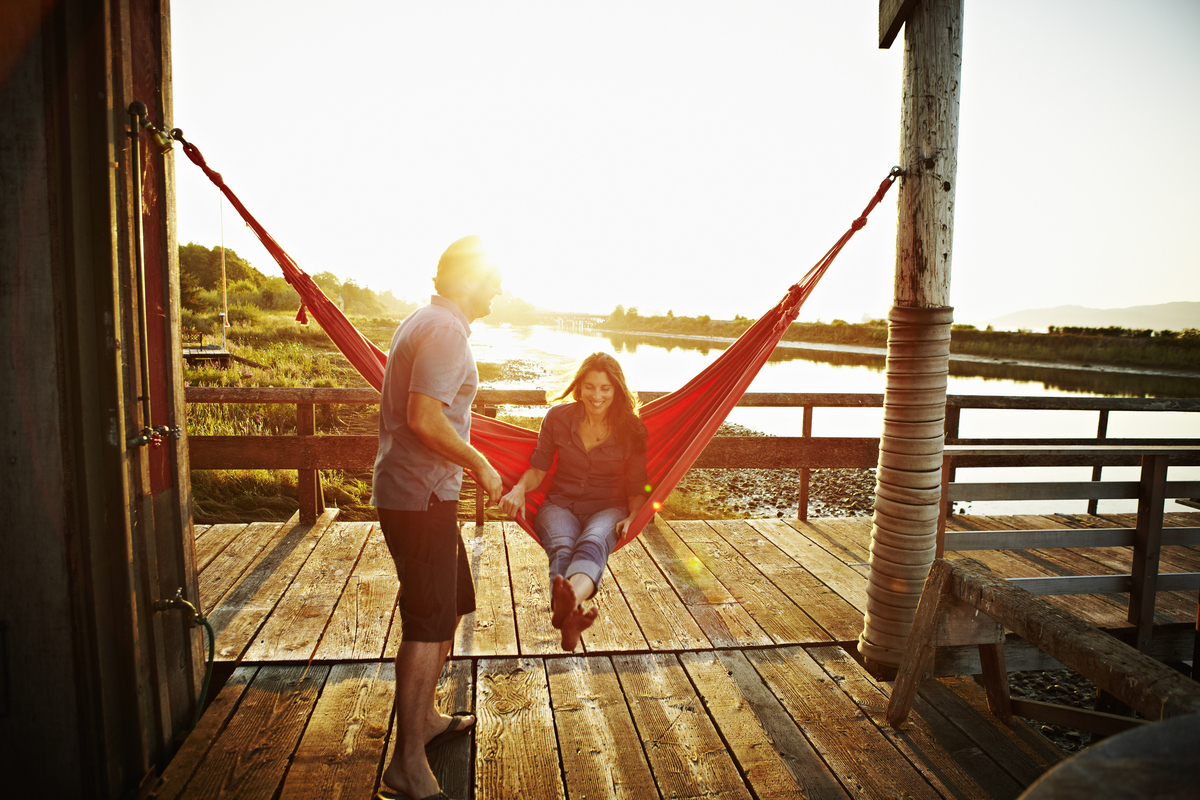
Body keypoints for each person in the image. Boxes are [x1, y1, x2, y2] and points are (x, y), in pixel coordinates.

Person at [372, 236, 503, 800]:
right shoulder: (446, 331)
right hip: (420, 497)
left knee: (448, 607)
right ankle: (406, 765)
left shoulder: (427, 321)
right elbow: (424, 418)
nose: (499, 289)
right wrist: (480, 463)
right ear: (468, 279)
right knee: (427, 622)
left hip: (422, 495)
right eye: (492, 279)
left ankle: (424, 720)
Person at [500, 352, 651, 651]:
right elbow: (538, 469)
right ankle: (569, 614)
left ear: (617, 389)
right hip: (560, 505)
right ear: (579, 386)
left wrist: (634, 516)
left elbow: (637, 486)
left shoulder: (632, 429)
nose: (597, 395)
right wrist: (518, 489)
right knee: (562, 546)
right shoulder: (558, 418)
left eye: (605, 388)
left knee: (594, 542)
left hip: (608, 508)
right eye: (590, 387)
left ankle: (565, 609)